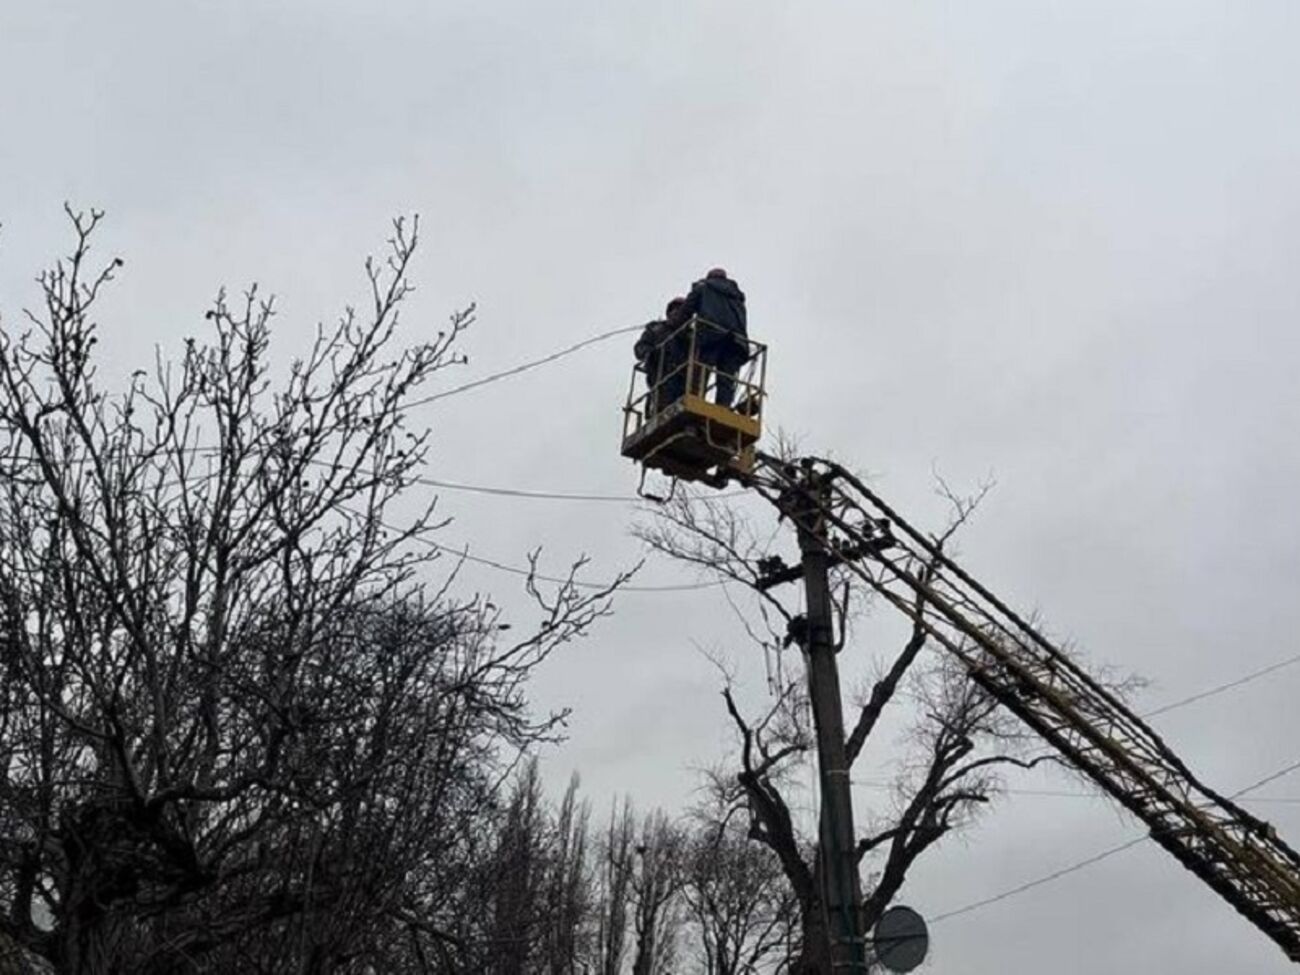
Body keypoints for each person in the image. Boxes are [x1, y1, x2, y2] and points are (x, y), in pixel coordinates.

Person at [678, 268, 748, 407]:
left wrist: (675, 326)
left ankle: (696, 402)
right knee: (726, 379)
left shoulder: (703, 287)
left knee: (701, 373)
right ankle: (723, 407)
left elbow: (686, 311)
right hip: (736, 342)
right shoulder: (736, 296)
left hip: (711, 336)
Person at [634, 297, 687, 414]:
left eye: (681, 310)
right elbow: (640, 347)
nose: (677, 312)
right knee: (661, 406)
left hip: (682, 380)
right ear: (669, 313)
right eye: (674, 309)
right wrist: (649, 353)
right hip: (660, 376)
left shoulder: (689, 333)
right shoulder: (656, 330)